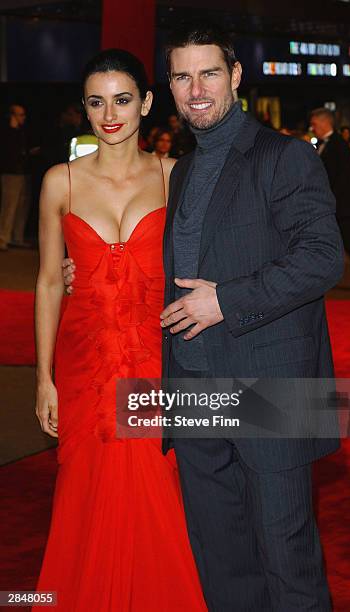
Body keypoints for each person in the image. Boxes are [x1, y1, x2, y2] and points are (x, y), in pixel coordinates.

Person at [63, 25, 344, 611]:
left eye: (209, 73)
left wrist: (228, 300)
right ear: (168, 87)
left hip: (272, 385)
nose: (196, 89)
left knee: (287, 561)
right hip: (191, 387)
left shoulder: (283, 156)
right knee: (223, 561)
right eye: (183, 76)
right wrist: (84, 272)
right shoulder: (182, 171)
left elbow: (322, 258)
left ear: (235, 77)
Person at [33, 48, 206, 612]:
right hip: (84, 362)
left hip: (155, 358)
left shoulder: (176, 175)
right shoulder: (59, 181)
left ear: (148, 104)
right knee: (86, 493)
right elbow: (48, 283)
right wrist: (43, 377)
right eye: (97, 101)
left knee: (157, 493)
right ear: (83, 108)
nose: (110, 113)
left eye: (123, 99)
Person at [311, 107, 350, 285]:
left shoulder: (338, 145)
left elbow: (339, 179)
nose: (312, 128)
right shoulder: (324, 144)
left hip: (340, 206)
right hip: (332, 205)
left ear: (324, 122)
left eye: (314, 124)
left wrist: (326, 202)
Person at [0, 104, 32, 250]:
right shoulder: (7, 132)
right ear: (12, 116)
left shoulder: (21, 131)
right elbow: (9, 151)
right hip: (11, 173)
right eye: (20, 115)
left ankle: (16, 237)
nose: (23, 118)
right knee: (9, 206)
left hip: (23, 172)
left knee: (21, 206)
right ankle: (3, 238)